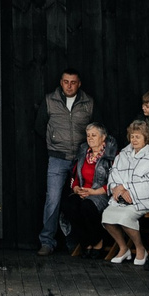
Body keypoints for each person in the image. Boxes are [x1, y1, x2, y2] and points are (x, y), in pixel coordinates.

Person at [39, 67, 95, 255]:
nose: (69, 86)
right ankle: (47, 242)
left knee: (84, 198)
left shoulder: (88, 102)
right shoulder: (50, 100)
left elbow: (97, 128)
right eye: (66, 82)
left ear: (79, 84)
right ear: (60, 83)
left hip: (82, 159)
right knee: (53, 199)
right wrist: (54, 142)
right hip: (57, 158)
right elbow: (40, 126)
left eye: (73, 82)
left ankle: (82, 242)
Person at [101, 118, 149, 266]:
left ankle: (140, 248)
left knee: (125, 217)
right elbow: (114, 173)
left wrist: (125, 187)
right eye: (132, 136)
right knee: (107, 217)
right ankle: (123, 248)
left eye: (138, 136)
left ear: (146, 138)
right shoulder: (124, 153)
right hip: (123, 196)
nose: (134, 140)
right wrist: (118, 189)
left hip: (143, 197)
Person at [62, 123, 113, 255]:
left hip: (102, 193)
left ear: (103, 137)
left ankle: (97, 241)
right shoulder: (83, 153)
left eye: (94, 135)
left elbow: (114, 182)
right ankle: (86, 241)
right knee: (69, 205)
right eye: (88, 135)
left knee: (87, 206)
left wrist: (94, 192)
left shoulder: (111, 155)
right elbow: (75, 176)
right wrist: (76, 189)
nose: (90, 138)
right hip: (84, 192)